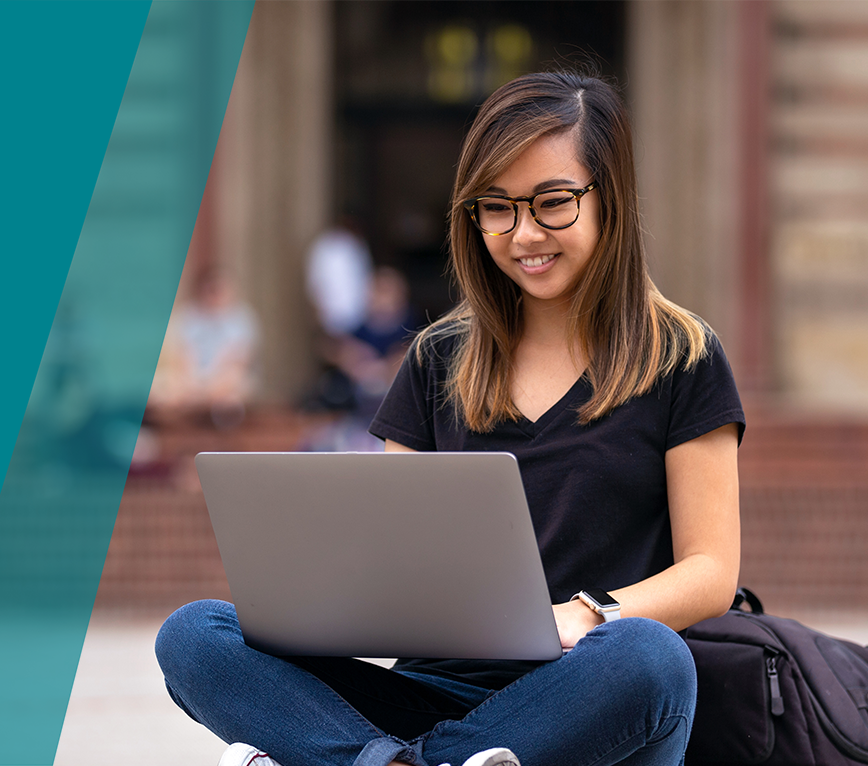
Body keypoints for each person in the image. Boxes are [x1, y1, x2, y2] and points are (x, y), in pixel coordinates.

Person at [155, 71, 744, 766]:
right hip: (432, 694)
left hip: (586, 698)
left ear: (608, 197)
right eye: (496, 208)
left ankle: (372, 761)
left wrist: (586, 614)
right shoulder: (439, 358)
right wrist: (329, 594)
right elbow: (394, 550)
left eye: (552, 202)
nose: (524, 234)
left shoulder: (682, 355)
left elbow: (712, 570)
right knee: (193, 637)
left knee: (653, 658)